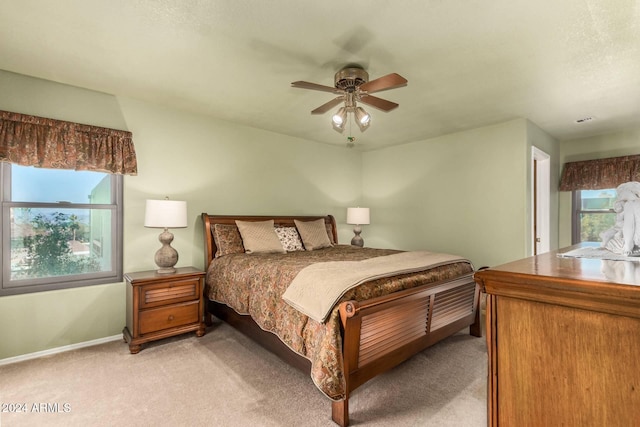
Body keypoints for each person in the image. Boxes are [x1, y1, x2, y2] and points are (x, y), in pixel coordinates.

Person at [601, 182, 640, 256]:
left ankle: (633, 249)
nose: (619, 195)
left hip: (636, 243)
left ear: (630, 191)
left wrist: (628, 246)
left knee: (610, 243)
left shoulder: (630, 204)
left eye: (620, 192)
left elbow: (629, 226)